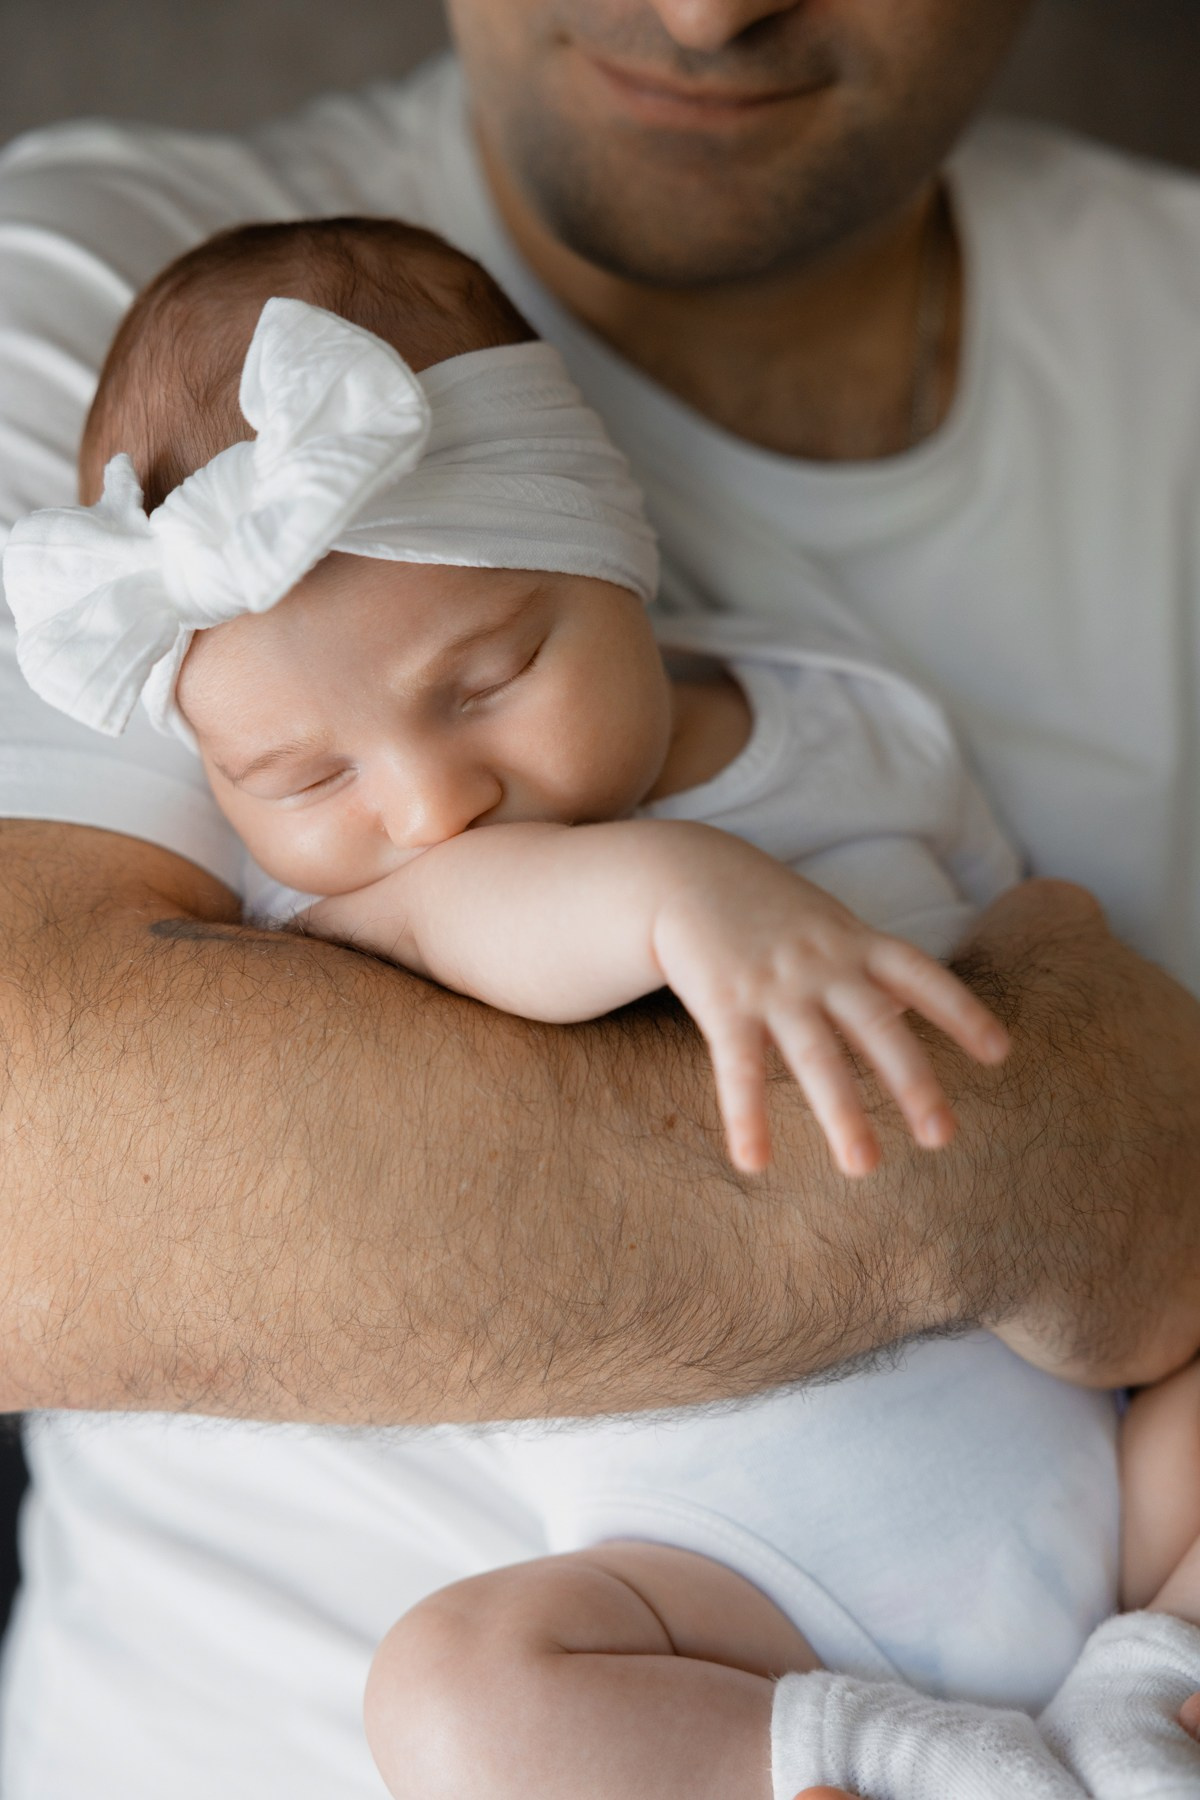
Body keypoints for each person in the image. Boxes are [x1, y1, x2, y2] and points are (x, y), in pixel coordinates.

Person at [2, 2, 1200, 1794]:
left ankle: (1144, 1682)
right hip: (706, 1596)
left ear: (616, 557)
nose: (421, 800)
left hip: (1099, 1509)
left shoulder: (846, 713)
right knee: (465, 1702)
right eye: (298, 785)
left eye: (488, 679)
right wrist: (683, 907)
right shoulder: (109, 299)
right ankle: (877, 1750)